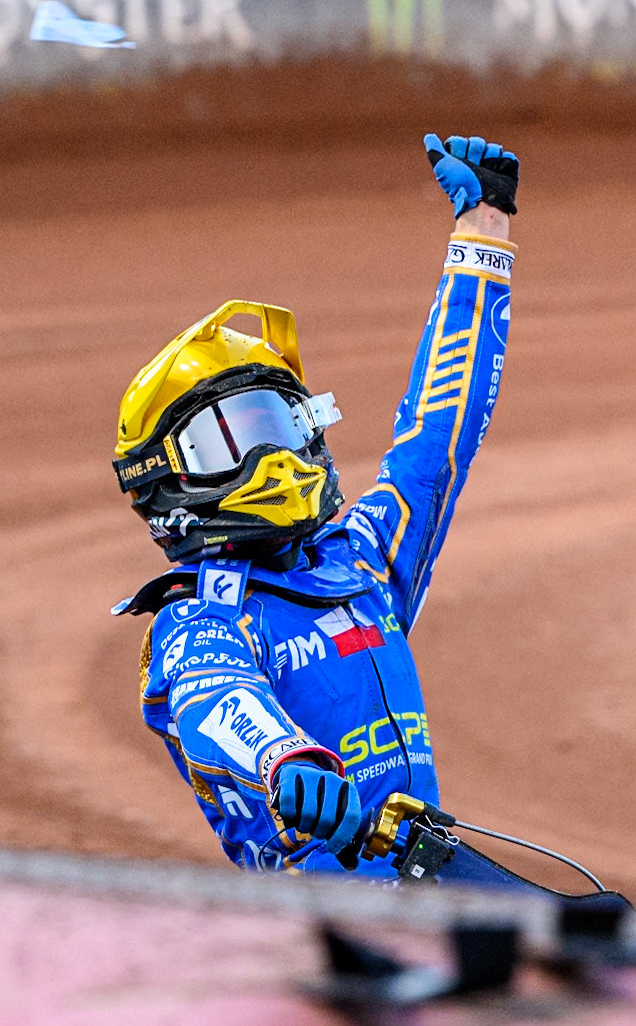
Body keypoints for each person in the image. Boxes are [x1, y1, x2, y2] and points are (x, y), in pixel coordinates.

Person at [111, 134, 520, 875]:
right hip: (327, 917)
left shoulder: (360, 560)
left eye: (279, 424)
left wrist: (482, 233)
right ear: (165, 479)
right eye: (232, 439)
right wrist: (286, 758)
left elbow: (438, 435)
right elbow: (215, 699)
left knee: (601, 927)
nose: (272, 456)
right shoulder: (196, 618)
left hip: (431, 876)